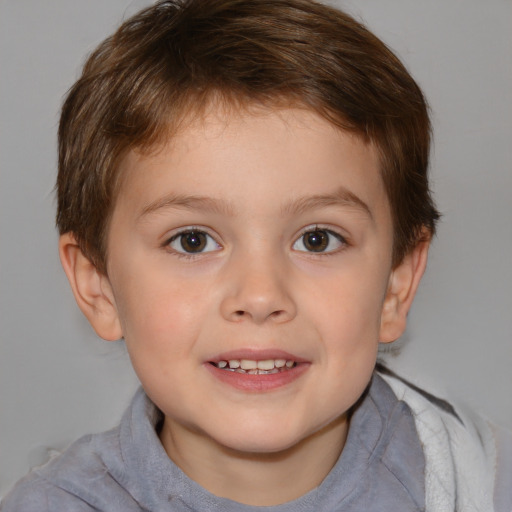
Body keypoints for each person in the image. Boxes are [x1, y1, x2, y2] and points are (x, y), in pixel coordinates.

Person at [1, 0, 510, 510]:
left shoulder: (474, 484)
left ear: (397, 284)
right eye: (193, 240)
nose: (261, 295)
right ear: (99, 285)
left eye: (318, 239)